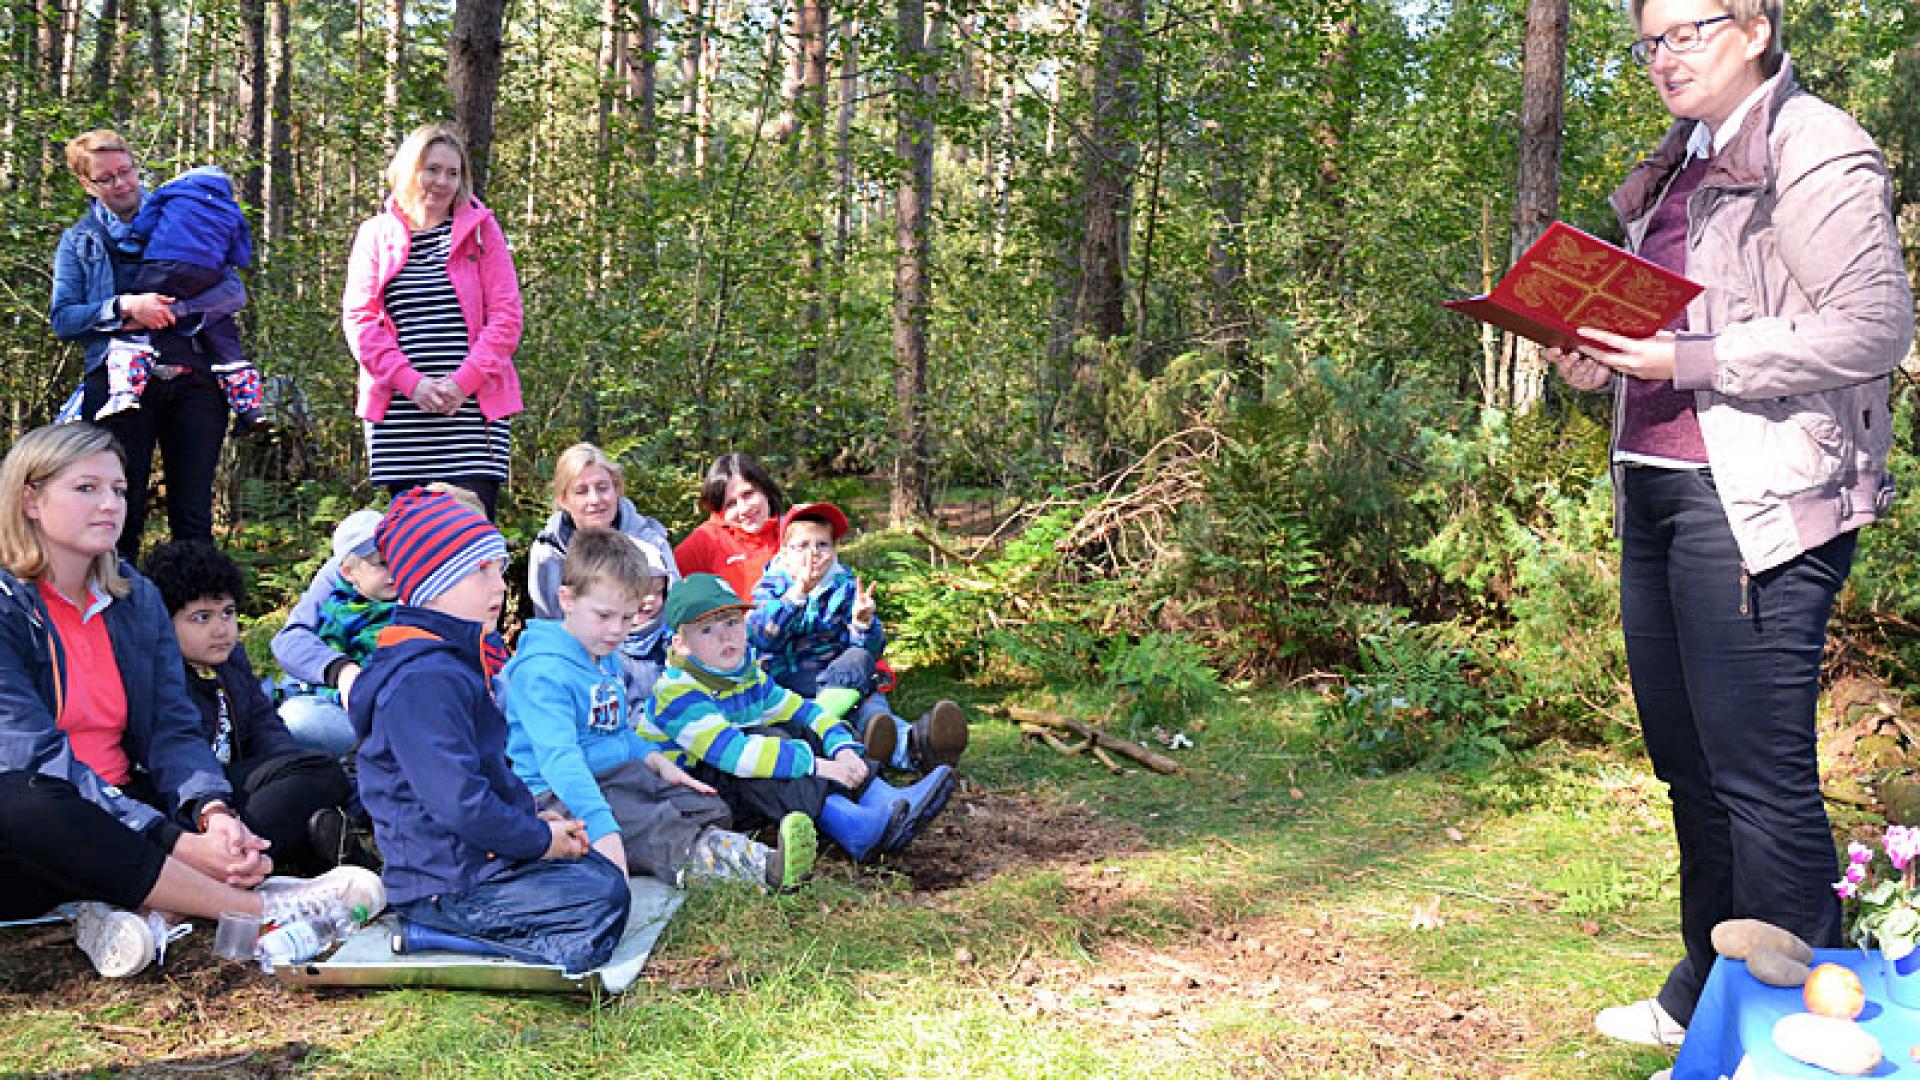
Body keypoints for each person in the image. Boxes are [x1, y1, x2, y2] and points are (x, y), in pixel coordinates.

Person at [1549, 0, 1915, 1051]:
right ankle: (1707, 994)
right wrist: (1596, 358)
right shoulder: (1680, 162)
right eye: (1649, 42)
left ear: (1754, 28)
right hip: (1657, 487)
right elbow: (1671, 329)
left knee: (1758, 780)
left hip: (1757, 499)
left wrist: (1690, 360)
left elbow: (1873, 327)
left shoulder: (1815, 144)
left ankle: (1809, 1032)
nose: (1664, 58)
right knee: (1691, 770)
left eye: (1688, 32)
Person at [0, 423, 384, 979]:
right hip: (46, 823)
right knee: (24, 799)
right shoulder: (8, 607)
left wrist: (212, 813)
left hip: (134, 800)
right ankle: (256, 907)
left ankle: (150, 897)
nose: (110, 504)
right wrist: (172, 840)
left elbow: (172, 729)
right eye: (86, 488)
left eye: (119, 490)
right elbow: (31, 755)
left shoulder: (135, 597)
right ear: (30, 500)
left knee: (310, 772)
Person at [349, 487, 630, 972]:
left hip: (478, 861)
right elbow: (460, 801)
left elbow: (485, 771)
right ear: (435, 580)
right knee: (601, 899)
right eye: (482, 571)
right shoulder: (422, 680)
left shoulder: (450, 660)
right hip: (442, 884)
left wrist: (532, 820)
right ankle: (432, 934)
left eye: (499, 570)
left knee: (597, 876)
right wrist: (538, 841)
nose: (500, 586)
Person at [504, 527, 816, 891]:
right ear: (567, 599)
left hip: (618, 774)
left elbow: (617, 732)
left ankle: (685, 849)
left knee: (709, 808)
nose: (616, 630)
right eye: (604, 616)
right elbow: (561, 761)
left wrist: (657, 763)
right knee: (653, 827)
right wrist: (604, 832)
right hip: (560, 792)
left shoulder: (603, 656)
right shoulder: (542, 673)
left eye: (627, 618)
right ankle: (765, 869)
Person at [644, 574, 955, 864]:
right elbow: (735, 755)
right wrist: (820, 766)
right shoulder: (677, 691)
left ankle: (882, 797)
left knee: (797, 730)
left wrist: (844, 750)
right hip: (688, 796)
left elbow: (807, 712)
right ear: (680, 644)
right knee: (762, 751)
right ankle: (852, 825)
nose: (725, 636)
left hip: (732, 786)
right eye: (706, 630)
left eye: (732, 622)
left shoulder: (746, 676)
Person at [52, 130, 250, 559]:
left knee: (193, 515)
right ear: (86, 184)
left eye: (126, 171)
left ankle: (194, 601)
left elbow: (233, 291)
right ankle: (113, 597)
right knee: (118, 510)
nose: (122, 184)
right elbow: (64, 318)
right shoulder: (80, 241)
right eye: (106, 178)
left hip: (195, 382)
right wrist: (126, 306)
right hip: (118, 387)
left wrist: (180, 310)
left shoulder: (181, 214)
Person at [142, 539, 361, 873]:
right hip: (188, 802)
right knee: (322, 777)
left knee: (317, 774)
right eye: (201, 618)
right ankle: (227, 860)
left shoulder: (230, 662)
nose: (221, 629)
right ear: (164, 623)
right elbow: (177, 760)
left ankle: (286, 851)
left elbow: (264, 725)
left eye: (228, 613)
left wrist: (294, 769)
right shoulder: (161, 678)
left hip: (236, 788)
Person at [342, 124, 523, 520]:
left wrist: (462, 383)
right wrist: (412, 383)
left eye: (452, 173)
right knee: (414, 542)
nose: (442, 182)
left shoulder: (483, 232)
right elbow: (361, 322)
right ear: (409, 170)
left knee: (472, 539)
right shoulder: (374, 235)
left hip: (471, 417)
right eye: (432, 169)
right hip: (401, 419)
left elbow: (507, 318)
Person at [750, 501, 968, 774]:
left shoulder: (846, 587)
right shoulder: (769, 588)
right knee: (843, 706)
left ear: (834, 551)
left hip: (842, 684)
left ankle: (918, 746)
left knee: (869, 697)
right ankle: (861, 742)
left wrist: (862, 624)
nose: (813, 553)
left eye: (822, 545)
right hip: (791, 687)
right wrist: (798, 594)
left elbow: (871, 651)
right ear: (784, 553)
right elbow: (763, 637)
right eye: (803, 545)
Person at [97, 165, 263, 433]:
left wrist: (148, 239)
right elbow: (241, 254)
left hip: (164, 261)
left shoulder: (171, 192)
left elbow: (144, 225)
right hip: (209, 271)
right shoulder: (231, 208)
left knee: (138, 323)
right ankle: (250, 407)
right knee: (223, 337)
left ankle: (124, 392)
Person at [527, 443, 680, 701]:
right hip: (581, 668)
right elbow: (550, 626)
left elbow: (676, 610)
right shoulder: (548, 553)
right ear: (563, 499)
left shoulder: (651, 539)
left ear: (616, 489)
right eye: (581, 491)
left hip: (656, 660)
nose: (595, 500)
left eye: (602, 488)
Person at [270, 509, 398, 759]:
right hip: (332, 699)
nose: (394, 569)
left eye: (398, 557)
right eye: (382, 563)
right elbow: (288, 641)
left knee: (296, 718)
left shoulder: (411, 600)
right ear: (348, 573)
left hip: (389, 711)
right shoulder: (337, 601)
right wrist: (341, 671)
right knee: (283, 710)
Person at [674, 453, 785, 602]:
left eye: (748, 494)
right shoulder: (705, 541)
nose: (744, 509)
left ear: (765, 490)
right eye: (731, 504)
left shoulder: (793, 529)